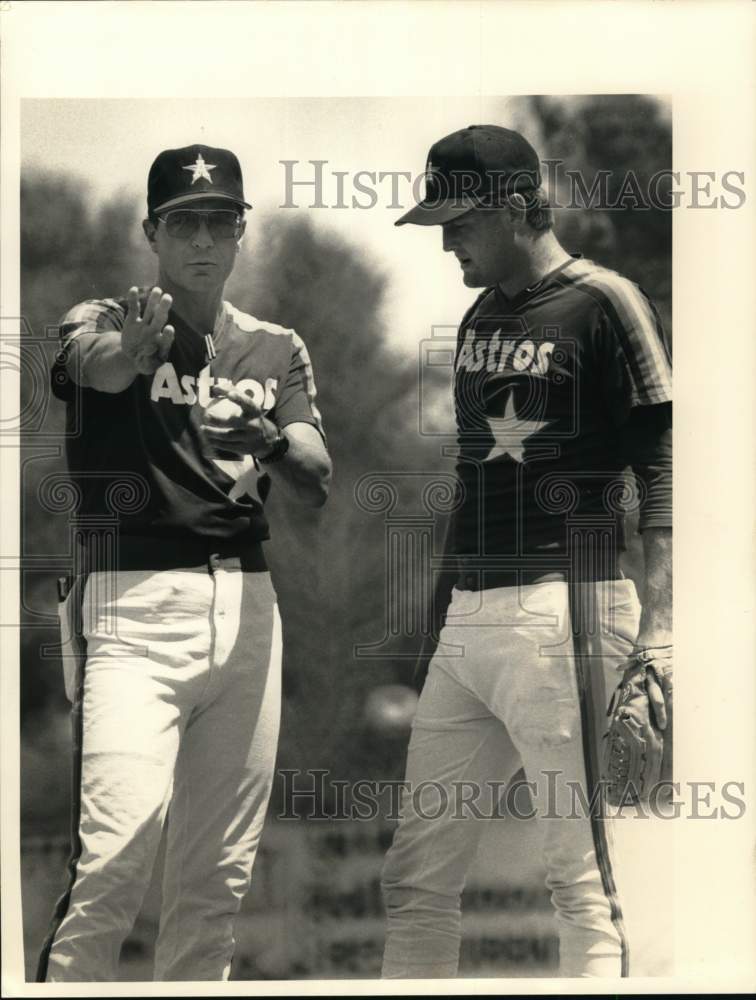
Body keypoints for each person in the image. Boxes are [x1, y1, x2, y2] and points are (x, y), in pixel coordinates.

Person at [381, 125, 672, 978]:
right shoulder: (480, 318)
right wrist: (438, 629)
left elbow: (663, 465)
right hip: (470, 624)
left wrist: (660, 629)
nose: (443, 240)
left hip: (567, 606)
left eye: (457, 219)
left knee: (582, 882)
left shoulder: (605, 302)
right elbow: (474, 485)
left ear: (515, 205)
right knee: (415, 882)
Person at [36, 143, 332, 982]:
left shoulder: (276, 348)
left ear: (241, 233)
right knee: (111, 868)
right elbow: (91, 365)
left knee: (215, 889)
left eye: (219, 221)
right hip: (132, 610)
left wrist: (272, 440)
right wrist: (134, 352)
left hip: (247, 609)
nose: (202, 238)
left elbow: (316, 476)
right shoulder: (100, 319)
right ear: (152, 233)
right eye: (183, 221)